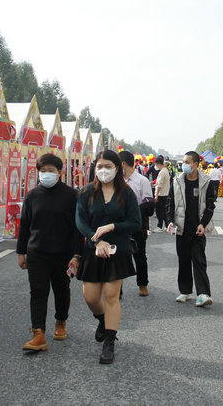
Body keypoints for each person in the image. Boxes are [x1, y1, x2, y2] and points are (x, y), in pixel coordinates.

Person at [76, 150, 140, 364]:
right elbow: (80, 222)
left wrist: (113, 226)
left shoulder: (127, 193)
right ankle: (103, 321)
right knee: (91, 297)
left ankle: (109, 342)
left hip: (118, 249)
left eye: (108, 166)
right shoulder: (86, 192)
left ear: (118, 168)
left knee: (112, 295)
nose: (103, 170)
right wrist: (96, 240)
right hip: (93, 249)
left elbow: (135, 223)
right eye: (100, 166)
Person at [16, 153, 83, 351]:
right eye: (43, 171)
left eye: (51, 171)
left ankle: (61, 321)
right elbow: (25, 225)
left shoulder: (71, 196)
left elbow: (77, 228)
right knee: (38, 292)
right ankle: (38, 333)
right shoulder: (32, 195)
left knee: (61, 290)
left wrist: (77, 255)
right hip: (37, 252)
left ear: (60, 172)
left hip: (63, 253)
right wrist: (21, 252)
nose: (46, 174)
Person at [166, 151, 215, 307]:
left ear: (196, 164)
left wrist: (203, 223)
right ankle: (185, 291)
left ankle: (203, 294)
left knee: (199, 260)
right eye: (183, 162)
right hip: (181, 227)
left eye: (187, 162)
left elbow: (210, 206)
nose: (184, 165)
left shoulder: (207, 181)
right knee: (184, 260)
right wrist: (169, 221)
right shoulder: (177, 181)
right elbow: (170, 203)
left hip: (198, 228)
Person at [119, 150, 154, 297]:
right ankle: (117, 289)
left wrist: (131, 212)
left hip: (137, 225)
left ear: (123, 164)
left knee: (139, 256)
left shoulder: (142, 181)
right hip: (119, 226)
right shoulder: (117, 181)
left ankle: (142, 284)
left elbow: (149, 207)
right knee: (118, 257)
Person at [154, 156, 171, 232]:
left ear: (157, 164)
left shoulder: (162, 172)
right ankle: (167, 226)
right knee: (164, 212)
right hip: (165, 194)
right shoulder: (165, 170)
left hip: (161, 195)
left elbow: (160, 185)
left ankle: (159, 226)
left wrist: (156, 196)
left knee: (159, 212)